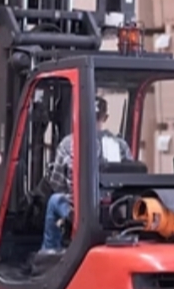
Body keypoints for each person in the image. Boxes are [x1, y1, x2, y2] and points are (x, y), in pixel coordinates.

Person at [39, 95, 132, 254]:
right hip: (116, 209)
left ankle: (49, 252)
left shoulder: (69, 144)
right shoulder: (120, 145)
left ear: (79, 113)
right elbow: (131, 176)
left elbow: (57, 184)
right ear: (105, 117)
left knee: (54, 201)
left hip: (81, 210)